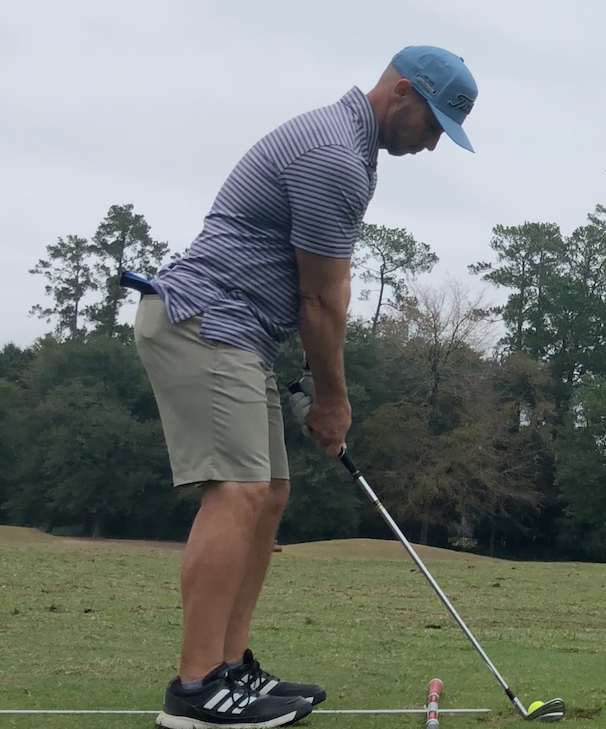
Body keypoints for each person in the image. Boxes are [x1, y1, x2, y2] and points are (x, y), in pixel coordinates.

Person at [130, 45, 478, 729]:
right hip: (206, 320)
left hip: (241, 331)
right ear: (401, 93)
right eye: (433, 123)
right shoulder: (334, 158)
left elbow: (311, 291)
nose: (433, 143)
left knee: (270, 493)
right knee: (238, 490)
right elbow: (323, 301)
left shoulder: (354, 150)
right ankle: (195, 689)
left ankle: (230, 668)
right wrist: (331, 400)